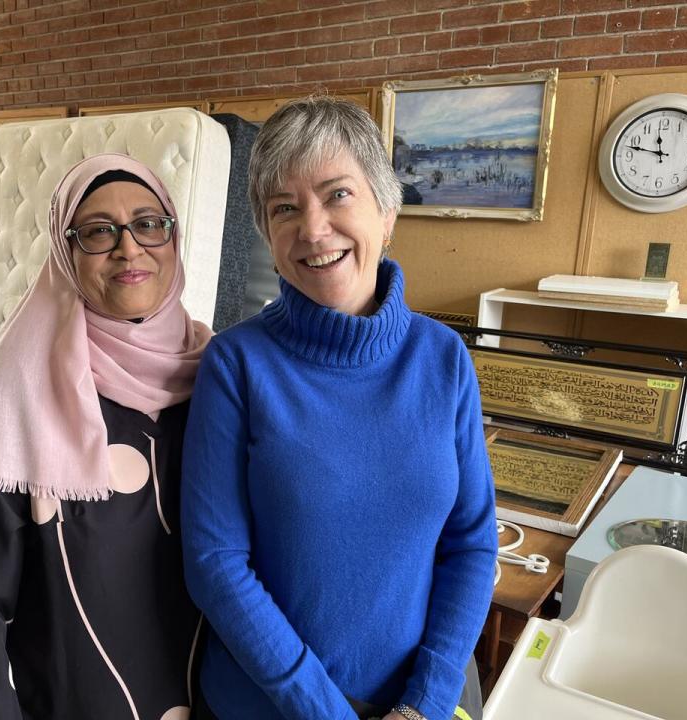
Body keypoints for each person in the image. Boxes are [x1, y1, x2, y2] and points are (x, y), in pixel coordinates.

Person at [181, 97, 498, 720]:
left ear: (387, 211)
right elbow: (215, 563)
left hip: (423, 702)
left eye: (338, 195)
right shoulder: (237, 365)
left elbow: (471, 543)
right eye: (284, 208)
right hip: (270, 705)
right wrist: (323, 708)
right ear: (267, 237)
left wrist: (424, 703)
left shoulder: (443, 358)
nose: (313, 228)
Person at [0, 153, 212, 719]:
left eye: (148, 223)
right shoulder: (6, 397)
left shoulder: (219, 374)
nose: (128, 247)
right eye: (97, 232)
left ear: (173, 236)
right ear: (65, 253)